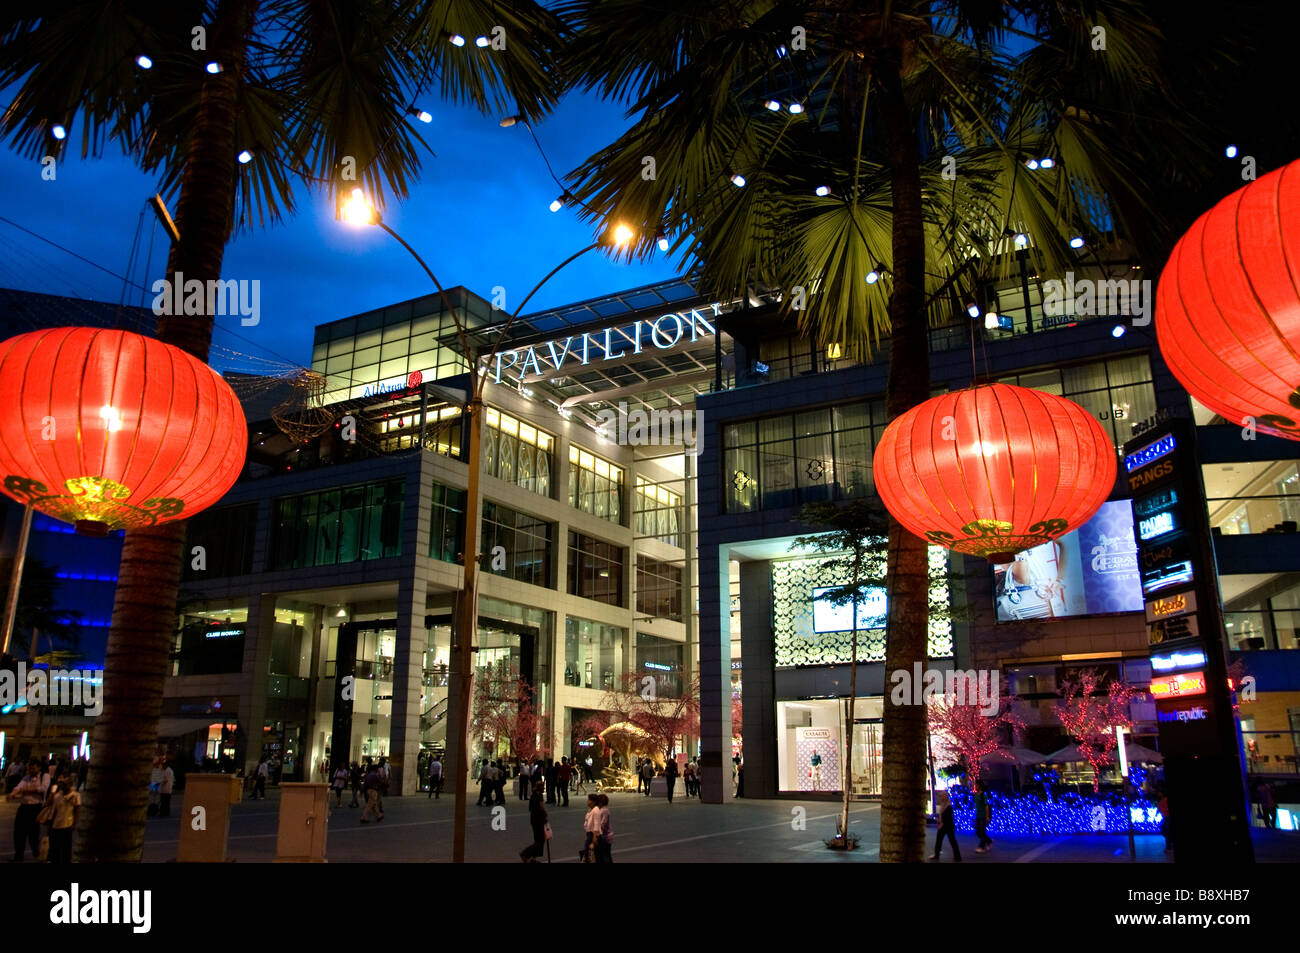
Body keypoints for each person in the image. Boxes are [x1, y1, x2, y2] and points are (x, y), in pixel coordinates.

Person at [7, 760, 45, 861]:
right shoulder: (26, 777)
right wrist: (12, 794)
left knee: (33, 833)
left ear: (39, 768)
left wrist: (26, 790)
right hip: (24, 807)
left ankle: (36, 853)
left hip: (35, 808)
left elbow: (42, 789)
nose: (30, 770)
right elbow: (19, 787)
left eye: (33, 768)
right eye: (29, 768)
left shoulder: (44, 777)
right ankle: (18, 856)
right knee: (19, 832)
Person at [47, 772, 80, 864]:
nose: (63, 786)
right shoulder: (57, 796)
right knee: (55, 849)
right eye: (62, 784)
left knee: (66, 849)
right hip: (56, 826)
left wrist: (74, 823)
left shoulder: (75, 795)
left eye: (65, 784)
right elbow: (52, 810)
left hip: (67, 825)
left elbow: (77, 810)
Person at [520, 780, 549, 862]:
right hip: (539, 820)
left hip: (533, 819)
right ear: (540, 787)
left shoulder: (533, 795)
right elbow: (541, 807)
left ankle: (533, 858)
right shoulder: (539, 795)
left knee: (537, 840)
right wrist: (545, 815)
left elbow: (530, 809)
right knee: (540, 841)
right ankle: (525, 853)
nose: (544, 788)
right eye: (543, 787)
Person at [930, 791, 961, 862]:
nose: (939, 798)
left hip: (948, 826)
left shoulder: (948, 806)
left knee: (952, 841)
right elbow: (942, 815)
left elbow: (949, 818)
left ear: (944, 797)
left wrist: (942, 823)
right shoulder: (943, 805)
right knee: (939, 840)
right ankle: (936, 855)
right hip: (943, 825)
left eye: (941, 796)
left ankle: (957, 857)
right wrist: (939, 820)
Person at [973, 783, 993, 853]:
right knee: (978, 832)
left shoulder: (983, 795)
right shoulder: (976, 795)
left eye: (977, 785)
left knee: (982, 832)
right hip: (978, 816)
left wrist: (987, 816)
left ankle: (981, 847)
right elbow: (977, 805)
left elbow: (986, 806)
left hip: (983, 816)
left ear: (980, 786)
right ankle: (989, 841)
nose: (975, 786)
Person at [582, 793, 601, 862]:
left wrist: (595, 836)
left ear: (594, 802)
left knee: (590, 852)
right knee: (588, 851)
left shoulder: (596, 810)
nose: (588, 802)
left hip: (592, 834)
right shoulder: (591, 809)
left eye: (589, 800)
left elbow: (597, 824)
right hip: (589, 833)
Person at [595, 793, 614, 863]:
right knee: (605, 855)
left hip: (605, 837)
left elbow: (603, 824)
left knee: (605, 855)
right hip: (603, 836)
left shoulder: (604, 810)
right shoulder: (601, 810)